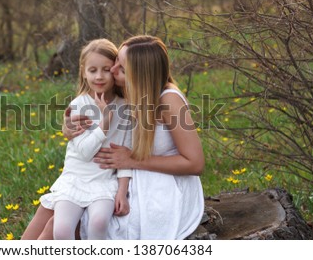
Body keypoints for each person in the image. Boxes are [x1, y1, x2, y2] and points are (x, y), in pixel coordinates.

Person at [22, 35, 204, 240]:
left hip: (162, 183)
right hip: (127, 172)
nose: (113, 70)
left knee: (58, 225)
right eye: (117, 61)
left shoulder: (169, 100)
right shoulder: (131, 91)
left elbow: (195, 163)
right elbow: (97, 112)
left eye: (122, 68)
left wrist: (132, 160)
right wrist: (69, 128)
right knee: (51, 207)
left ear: (139, 75)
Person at [25, 38, 132, 240]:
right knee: (61, 230)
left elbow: (127, 151)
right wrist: (105, 122)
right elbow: (84, 152)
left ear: (115, 70)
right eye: (92, 70)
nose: (99, 76)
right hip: (75, 179)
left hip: (104, 181)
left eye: (106, 69)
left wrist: (122, 191)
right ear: (83, 71)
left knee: (98, 223)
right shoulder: (80, 105)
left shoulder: (125, 107)